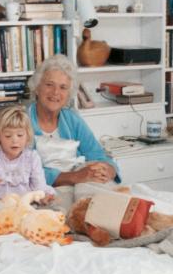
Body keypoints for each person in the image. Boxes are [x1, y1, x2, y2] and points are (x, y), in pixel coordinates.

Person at [27, 55, 120, 187]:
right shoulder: (20, 121)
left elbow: (97, 155)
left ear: (69, 94)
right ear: (37, 87)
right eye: (49, 85)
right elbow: (20, 171)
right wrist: (74, 177)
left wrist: (109, 170)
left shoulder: (72, 119)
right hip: (40, 192)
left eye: (63, 87)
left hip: (77, 187)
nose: (55, 92)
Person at [0, 105, 55, 202]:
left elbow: (39, 186)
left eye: (20, 135)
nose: (15, 140)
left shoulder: (32, 157)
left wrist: (42, 196)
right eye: (8, 136)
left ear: (27, 136)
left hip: (25, 204)